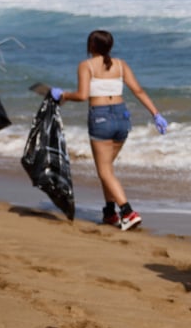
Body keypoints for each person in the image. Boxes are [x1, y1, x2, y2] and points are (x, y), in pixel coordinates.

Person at [51, 30, 167, 230]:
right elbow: (137, 90)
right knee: (107, 169)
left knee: (104, 170)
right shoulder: (120, 65)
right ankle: (109, 212)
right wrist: (156, 114)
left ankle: (127, 211)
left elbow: (82, 95)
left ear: (91, 46)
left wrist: (63, 95)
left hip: (101, 118)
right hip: (122, 118)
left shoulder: (86, 65)